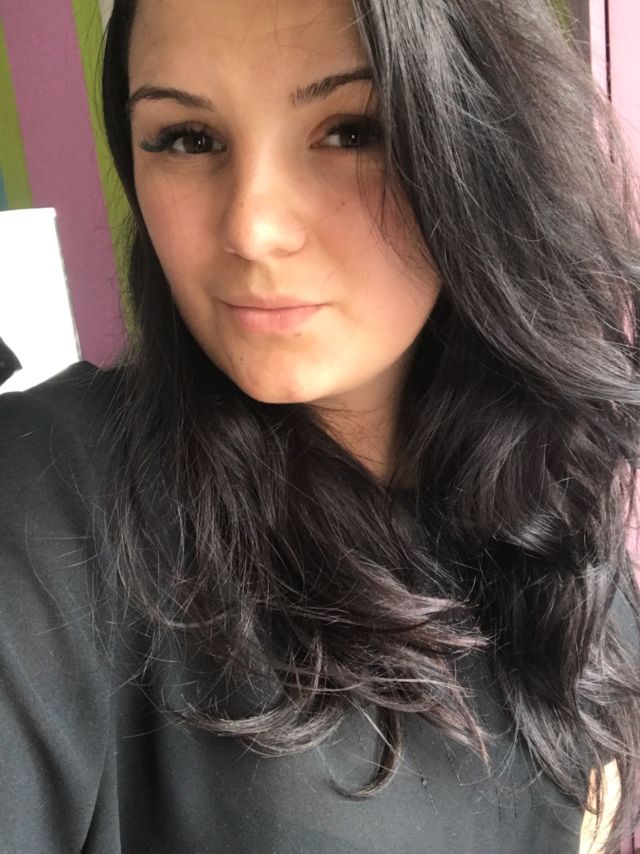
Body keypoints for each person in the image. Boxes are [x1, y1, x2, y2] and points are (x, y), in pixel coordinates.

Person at [1, 0, 639, 851]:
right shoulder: (46, 502)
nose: (252, 229)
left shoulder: (558, 495)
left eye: (350, 131)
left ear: (483, 144)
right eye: (187, 138)